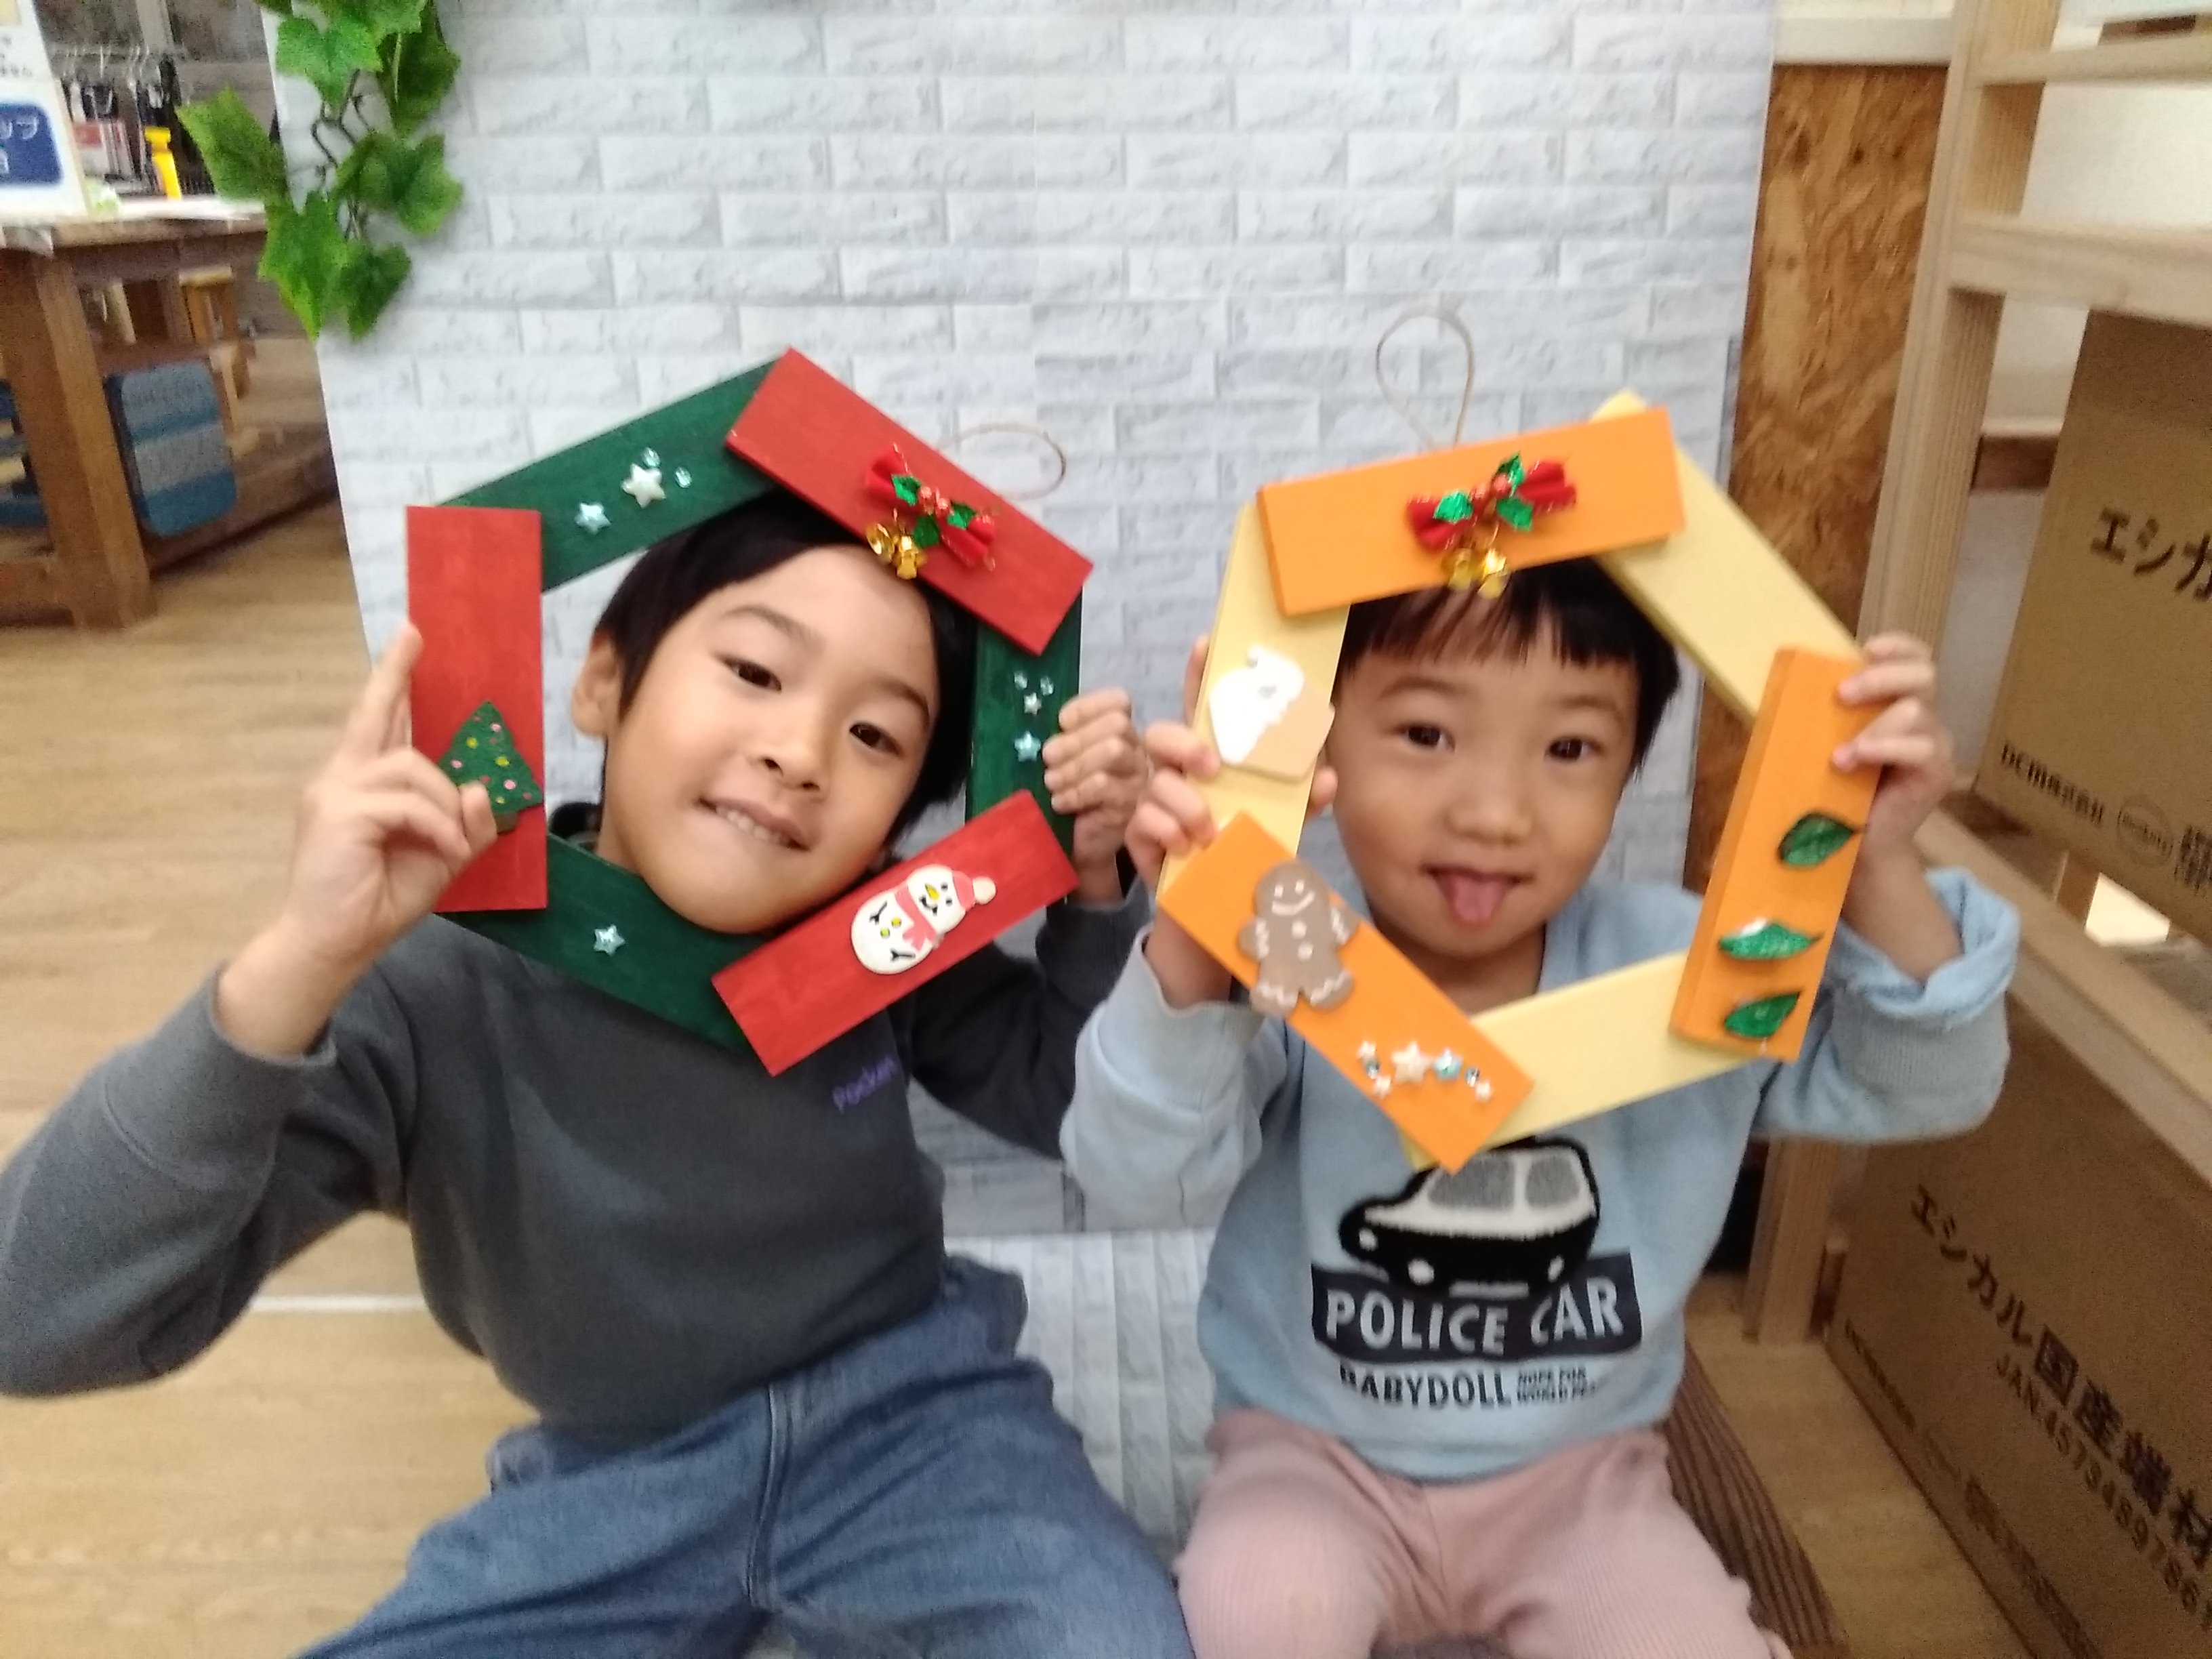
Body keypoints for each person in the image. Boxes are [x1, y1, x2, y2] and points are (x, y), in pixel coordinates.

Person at [0, 493, 1197, 1659]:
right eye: (755, 672)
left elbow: (1071, 1103)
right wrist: (296, 964)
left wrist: (1094, 895)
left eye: (876, 736)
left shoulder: (877, 935)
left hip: (915, 1419)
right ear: (604, 680)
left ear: (896, 823)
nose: (797, 753)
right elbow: (34, 1319)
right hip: (619, 1472)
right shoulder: (432, 978)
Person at [1061, 562, 2020, 1659]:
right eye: (1425, 734)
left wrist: (1878, 858)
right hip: (1312, 1459)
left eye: (1570, 748)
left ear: (1627, 769)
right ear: (1320, 749)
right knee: (1257, 1620)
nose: (1494, 813)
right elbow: (1130, 1172)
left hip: (1580, 1478)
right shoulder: (1294, 947)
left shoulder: (1689, 965)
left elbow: (1931, 1084)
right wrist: (1201, 926)